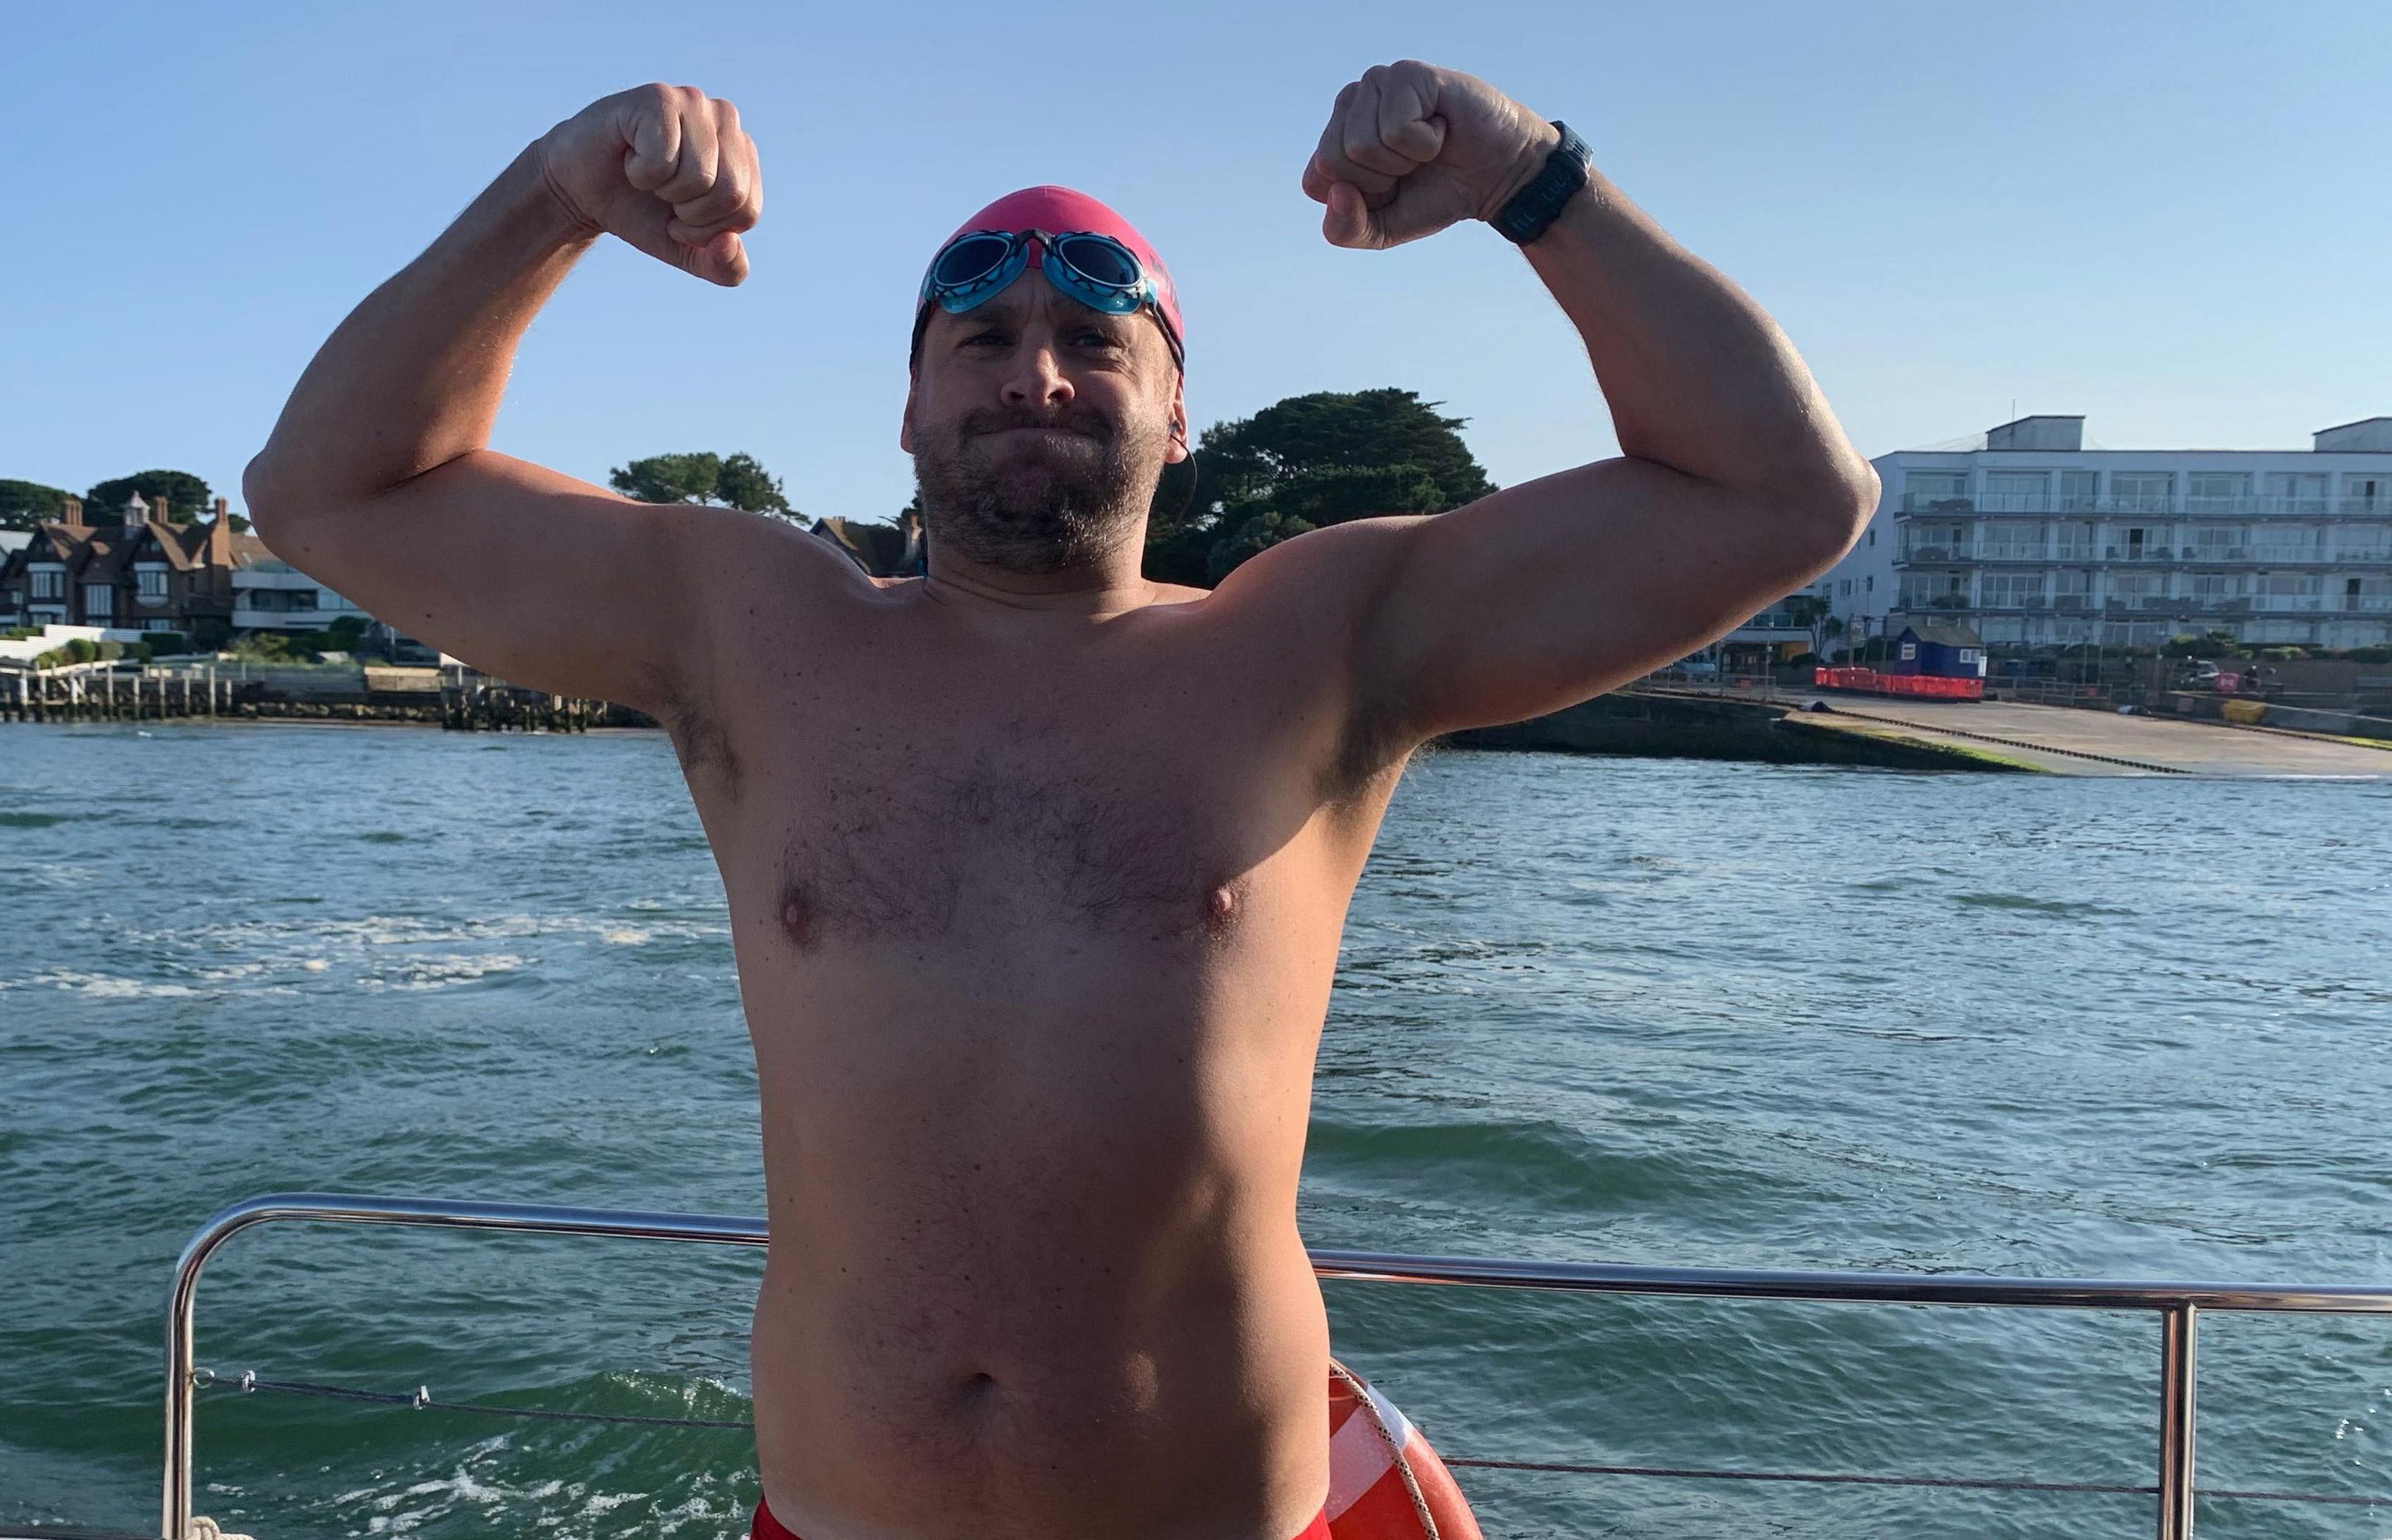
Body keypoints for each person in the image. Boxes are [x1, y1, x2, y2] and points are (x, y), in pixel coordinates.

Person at [245, 59, 1876, 1540]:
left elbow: (1788, 492)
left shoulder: (1318, 644)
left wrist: (1534, 180)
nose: (1035, 376)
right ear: (908, 407)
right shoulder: (746, 629)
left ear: (1179, 409)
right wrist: (555, 194)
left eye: (1097, 343)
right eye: (982, 344)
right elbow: (325, 490)